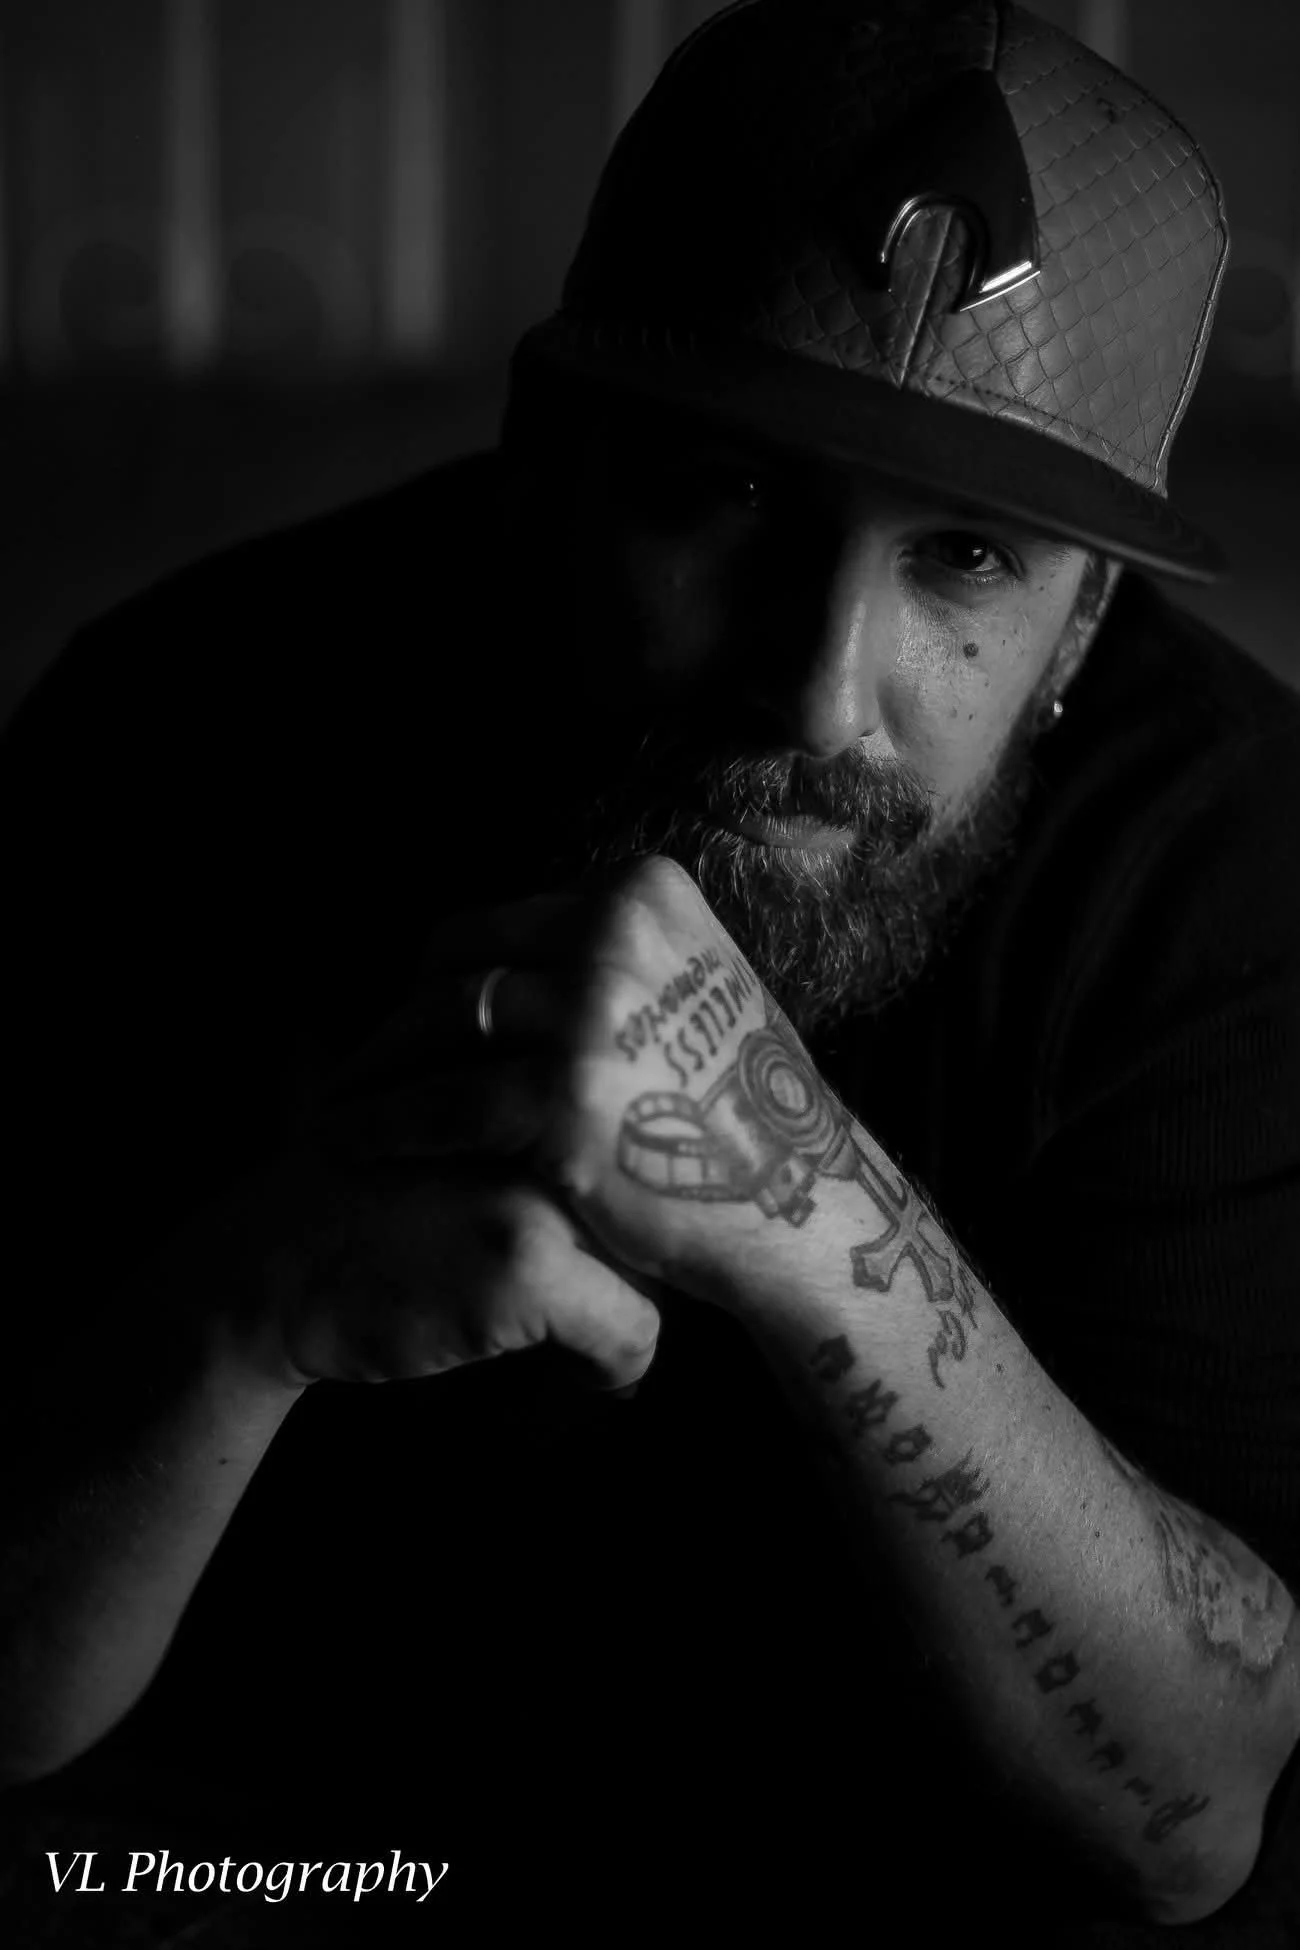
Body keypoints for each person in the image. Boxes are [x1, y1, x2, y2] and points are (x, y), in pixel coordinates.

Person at [2, 0, 1299, 1939]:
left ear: (1083, 615)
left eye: (962, 560)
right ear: (557, 465)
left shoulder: (1226, 875)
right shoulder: (174, 729)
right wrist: (247, 1305)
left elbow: (1181, 1826)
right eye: (733, 497)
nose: (809, 689)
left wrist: (802, 1205)